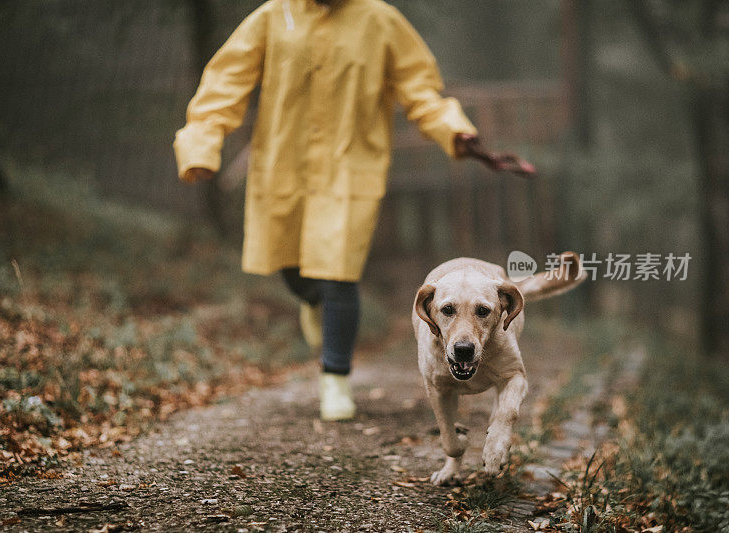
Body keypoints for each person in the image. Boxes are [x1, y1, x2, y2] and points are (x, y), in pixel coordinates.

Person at [174, 0, 534, 421]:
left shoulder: (379, 20)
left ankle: (335, 378)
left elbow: (420, 89)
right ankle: (311, 301)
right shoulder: (274, 15)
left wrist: (455, 132)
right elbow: (225, 81)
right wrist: (201, 143)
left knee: (338, 274)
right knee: (297, 275)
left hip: (350, 169)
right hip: (283, 167)